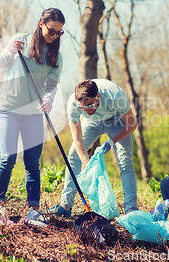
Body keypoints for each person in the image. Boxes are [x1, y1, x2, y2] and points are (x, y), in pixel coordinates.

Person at [0, 7, 65, 223]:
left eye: (59, 33)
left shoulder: (56, 56)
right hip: (8, 109)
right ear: (41, 24)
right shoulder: (20, 41)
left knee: (33, 162)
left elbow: (52, 84)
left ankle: (33, 208)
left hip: (34, 113)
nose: (54, 36)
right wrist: (8, 51)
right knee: (8, 158)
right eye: (52, 30)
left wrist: (48, 100)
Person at [51, 79, 139, 216]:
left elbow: (132, 124)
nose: (87, 110)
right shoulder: (73, 104)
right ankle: (66, 204)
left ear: (97, 97)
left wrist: (112, 141)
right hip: (92, 123)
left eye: (90, 105)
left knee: (125, 161)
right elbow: (78, 139)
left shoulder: (114, 95)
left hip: (116, 119)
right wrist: (86, 164)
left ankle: (131, 210)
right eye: (83, 108)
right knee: (74, 154)